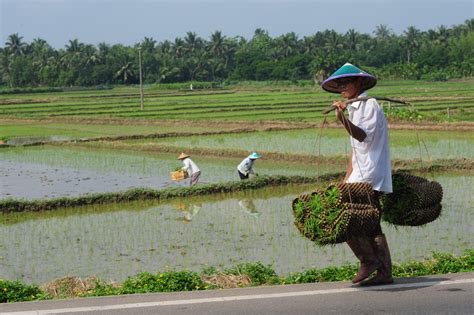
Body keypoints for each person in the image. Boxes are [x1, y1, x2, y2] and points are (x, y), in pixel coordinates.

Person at [322, 62, 393, 286]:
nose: (342, 87)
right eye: (339, 84)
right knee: (372, 225)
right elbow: (356, 151)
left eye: (346, 82)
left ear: (359, 82)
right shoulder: (355, 107)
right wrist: (346, 177)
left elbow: (363, 137)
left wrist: (342, 120)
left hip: (370, 174)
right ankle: (385, 273)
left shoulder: (370, 105)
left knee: (343, 215)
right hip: (361, 173)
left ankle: (368, 260)